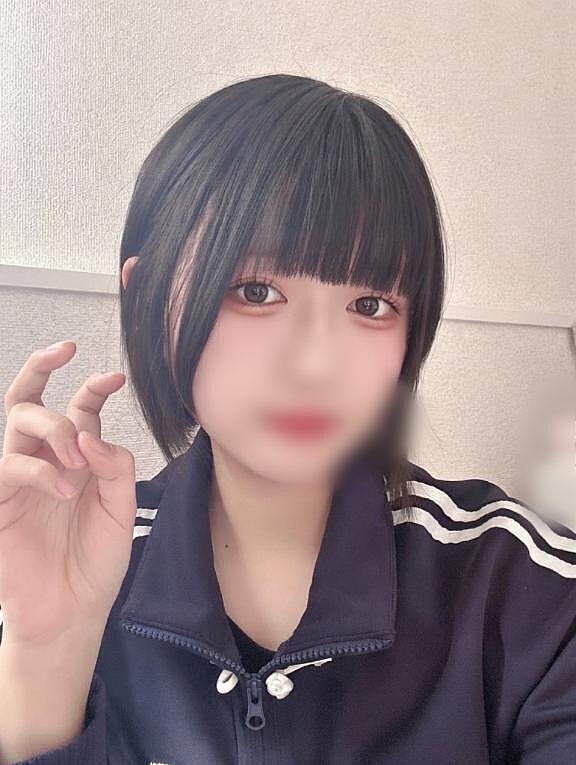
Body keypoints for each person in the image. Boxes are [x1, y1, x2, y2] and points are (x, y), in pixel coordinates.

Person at [0, 73, 574, 765]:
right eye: (256, 291)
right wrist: (48, 648)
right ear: (149, 301)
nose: (316, 366)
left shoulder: (524, 587)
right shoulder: (62, 560)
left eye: (370, 306)